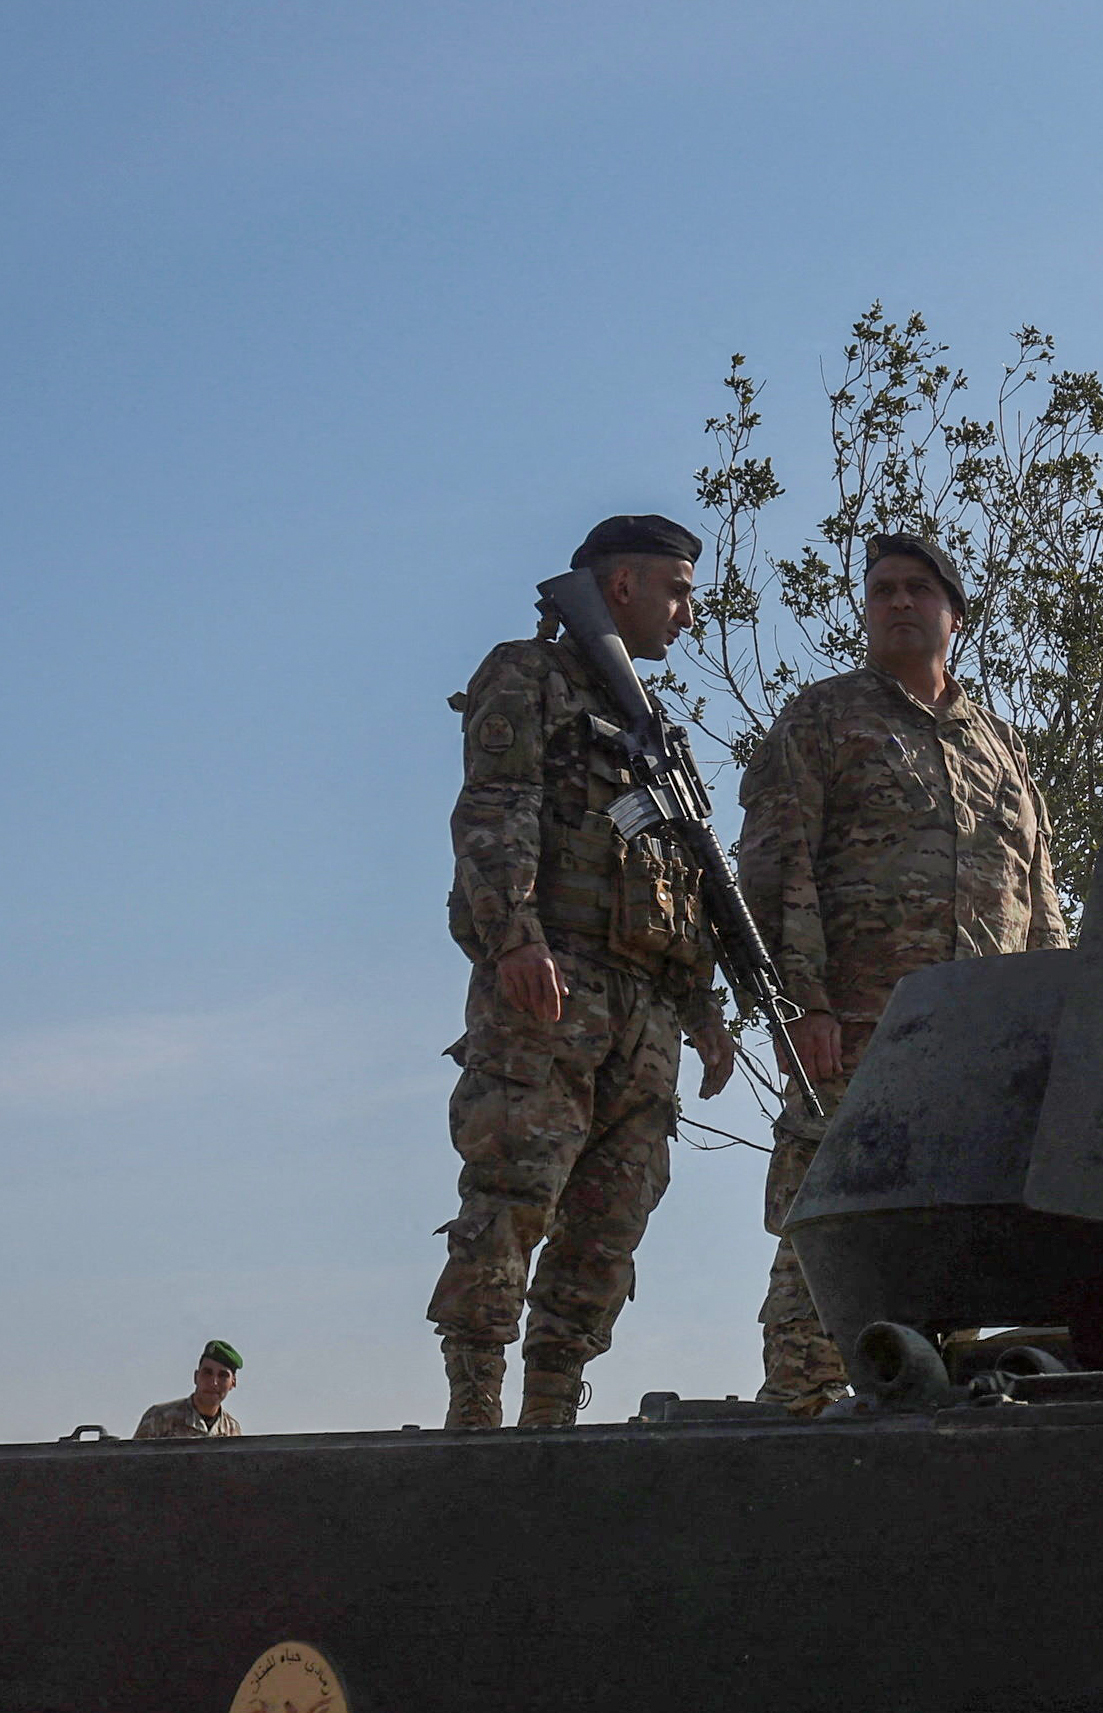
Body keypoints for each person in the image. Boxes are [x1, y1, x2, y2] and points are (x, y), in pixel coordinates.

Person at [736, 533, 1070, 1414]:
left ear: (953, 616)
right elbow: (776, 868)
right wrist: (801, 1002)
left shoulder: (998, 746)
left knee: (954, 1228)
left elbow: (1038, 897)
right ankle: (799, 1409)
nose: (896, 602)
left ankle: (932, 1408)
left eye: (917, 589)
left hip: (980, 1047)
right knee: (830, 1221)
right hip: (858, 1029)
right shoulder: (824, 718)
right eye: (881, 588)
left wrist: (1051, 1031)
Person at [429, 513, 739, 1430]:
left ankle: (553, 1410)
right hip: (553, 985)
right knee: (513, 1195)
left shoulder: (649, 727)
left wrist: (704, 1007)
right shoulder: (528, 677)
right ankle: (477, 1407)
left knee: (611, 1224)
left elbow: (677, 878)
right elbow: (496, 807)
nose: (687, 613)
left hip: (645, 1012)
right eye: (677, 590)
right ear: (621, 586)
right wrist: (517, 934)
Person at [134, 1341, 245, 1438]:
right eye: (207, 1373)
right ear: (196, 1377)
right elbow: (132, 1460)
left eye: (223, 1376)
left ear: (233, 1383)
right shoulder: (160, 1418)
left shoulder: (231, 1429)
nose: (214, 1382)